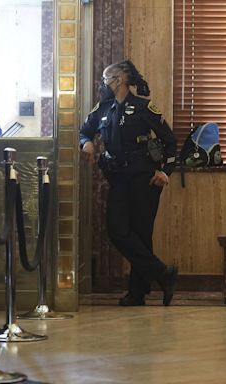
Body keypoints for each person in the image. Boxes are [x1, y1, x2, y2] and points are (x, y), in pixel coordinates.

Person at [80, 60, 179, 306]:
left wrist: (165, 171)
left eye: (106, 78)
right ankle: (162, 273)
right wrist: (87, 142)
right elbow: (85, 130)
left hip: (144, 177)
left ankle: (137, 293)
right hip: (117, 177)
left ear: (121, 78)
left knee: (141, 234)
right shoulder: (103, 109)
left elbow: (170, 142)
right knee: (117, 230)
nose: (104, 84)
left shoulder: (144, 108)